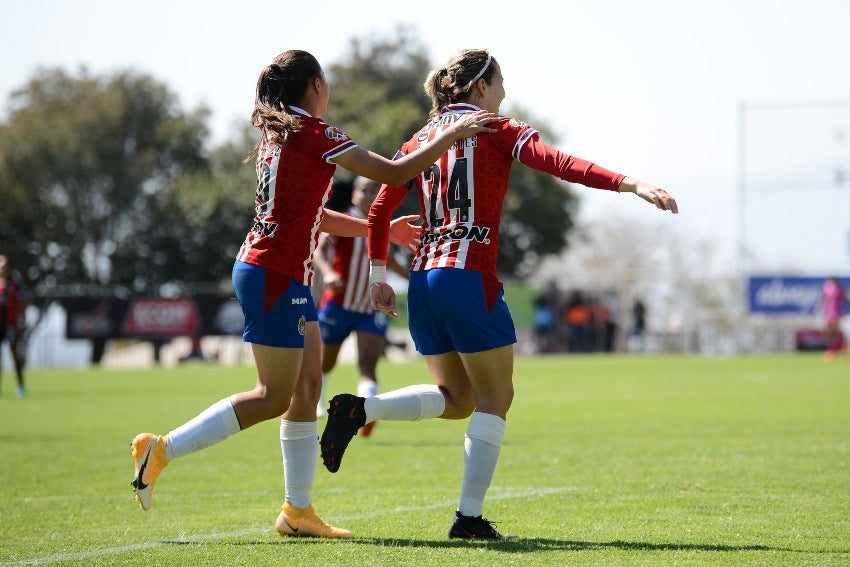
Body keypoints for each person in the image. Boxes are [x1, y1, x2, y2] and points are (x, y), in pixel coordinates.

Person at [129, 49, 497, 538]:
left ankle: (296, 512)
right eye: (328, 83)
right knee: (272, 394)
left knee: (306, 391)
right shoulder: (314, 132)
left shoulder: (281, 134)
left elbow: (315, 217)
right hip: (273, 274)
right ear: (317, 86)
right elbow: (390, 173)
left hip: (281, 272)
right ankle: (161, 449)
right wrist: (451, 135)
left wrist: (375, 230)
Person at [320, 48, 678, 540]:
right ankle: (467, 520)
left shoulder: (419, 139)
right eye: (501, 79)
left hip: (423, 280)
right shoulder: (496, 127)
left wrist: (380, 276)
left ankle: (363, 409)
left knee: (458, 398)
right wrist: (629, 182)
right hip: (467, 277)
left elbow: (379, 211)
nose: (506, 88)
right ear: (480, 86)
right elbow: (559, 163)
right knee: (497, 396)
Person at [313, 176, 409, 438]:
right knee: (326, 361)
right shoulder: (343, 221)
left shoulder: (383, 226)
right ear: (354, 195)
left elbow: (388, 260)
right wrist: (329, 274)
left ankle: (366, 412)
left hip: (371, 307)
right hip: (339, 304)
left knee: (368, 362)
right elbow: (319, 252)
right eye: (364, 190)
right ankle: (318, 403)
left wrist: (415, 277)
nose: (369, 196)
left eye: (374, 191)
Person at [0, 255, 27, 398]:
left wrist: (22, 321)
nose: (2, 269)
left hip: (10, 325)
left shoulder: (15, 285)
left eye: (4, 266)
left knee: (14, 356)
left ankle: (21, 386)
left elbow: (21, 303)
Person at [821, 276, 847, 363]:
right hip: (830, 312)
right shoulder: (830, 287)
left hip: (834, 313)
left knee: (833, 332)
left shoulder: (837, 288)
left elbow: (844, 297)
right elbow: (825, 298)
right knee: (831, 333)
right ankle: (839, 348)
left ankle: (835, 350)